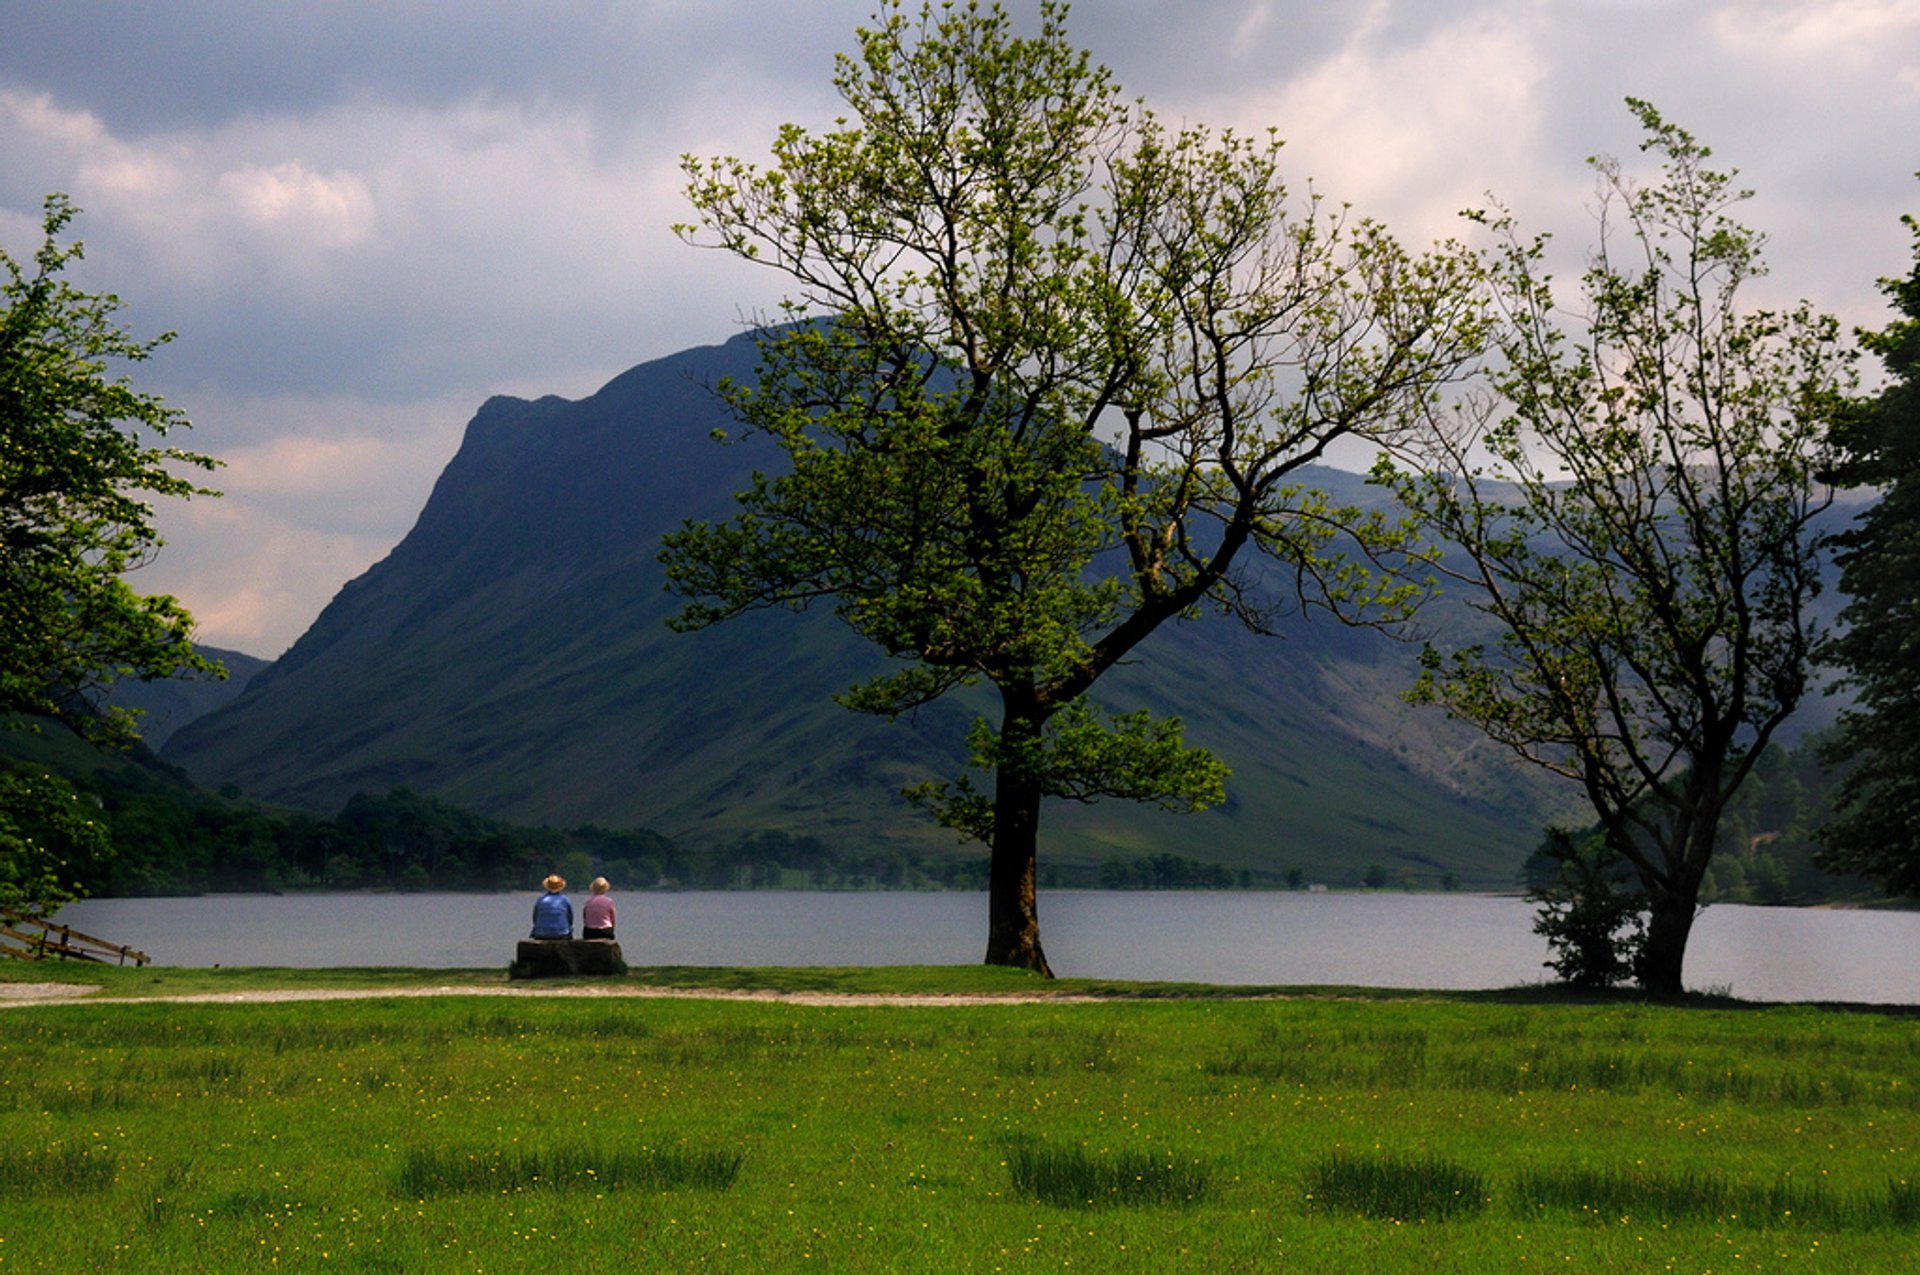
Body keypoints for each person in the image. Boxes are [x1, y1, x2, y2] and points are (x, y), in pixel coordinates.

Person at [530, 874, 573, 939]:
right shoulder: (565, 900)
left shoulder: (540, 900)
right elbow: (570, 919)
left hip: (541, 933)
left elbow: (535, 918)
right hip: (561, 933)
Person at [582, 876, 616, 941]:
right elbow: (613, 919)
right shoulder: (609, 901)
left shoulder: (588, 902)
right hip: (605, 931)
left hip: (590, 932)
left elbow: (585, 918)